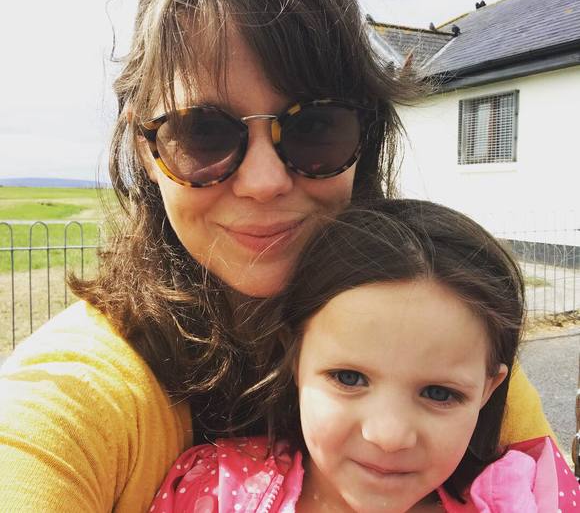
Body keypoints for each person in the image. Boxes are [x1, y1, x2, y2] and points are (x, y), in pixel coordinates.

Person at [0, 0, 555, 511]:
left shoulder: (447, 350)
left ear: (365, 139)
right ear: (147, 149)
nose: (263, 182)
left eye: (315, 127)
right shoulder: (75, 394)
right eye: (203, 132)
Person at [152, 200, 579, 512]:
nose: (388, 435)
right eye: (349, 378)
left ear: (489, 389)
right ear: (294, 358)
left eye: (439, 393)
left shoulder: (525, 500)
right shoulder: (215, 493)